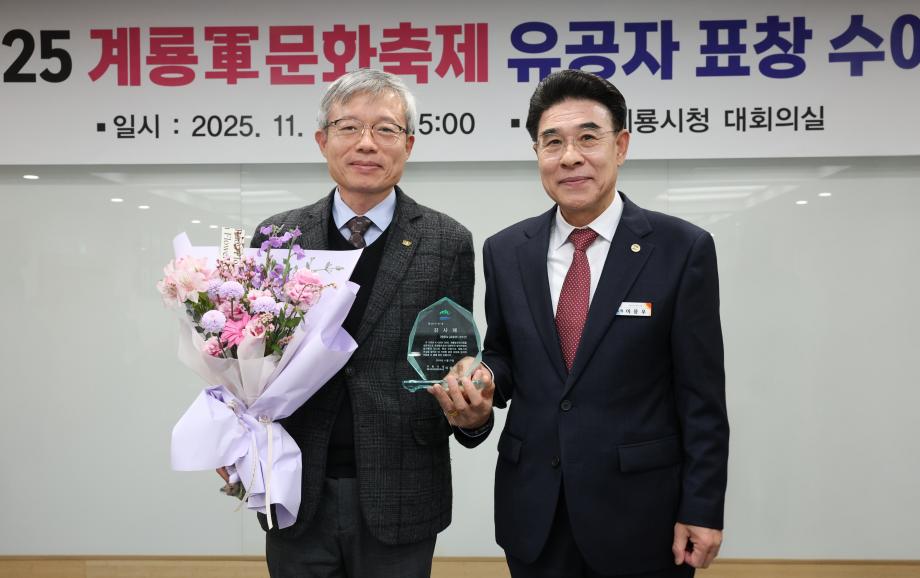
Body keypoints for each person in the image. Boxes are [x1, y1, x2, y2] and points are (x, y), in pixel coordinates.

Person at [474, 69, 729, 577]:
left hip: (642, 514)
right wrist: (480, 378)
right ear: (537, 153)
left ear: (621, 145)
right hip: (535, 511)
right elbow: (505, 356)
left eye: (588, 138)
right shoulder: (505, 250)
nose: (570, 157)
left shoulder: (681, 249)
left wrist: (702, 507)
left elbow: (700, 394)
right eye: (553, 142)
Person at [236, 69, 491, 578]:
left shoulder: (447, 241)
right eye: (349, 127)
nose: (367, 143)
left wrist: (472, 416)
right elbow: (250, 359)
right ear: (322, 140)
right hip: (294, 483)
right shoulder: (278, 236)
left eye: (386, 129)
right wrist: (234, 433)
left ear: (409, 144)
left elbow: (453, 357)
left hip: (403, 486)